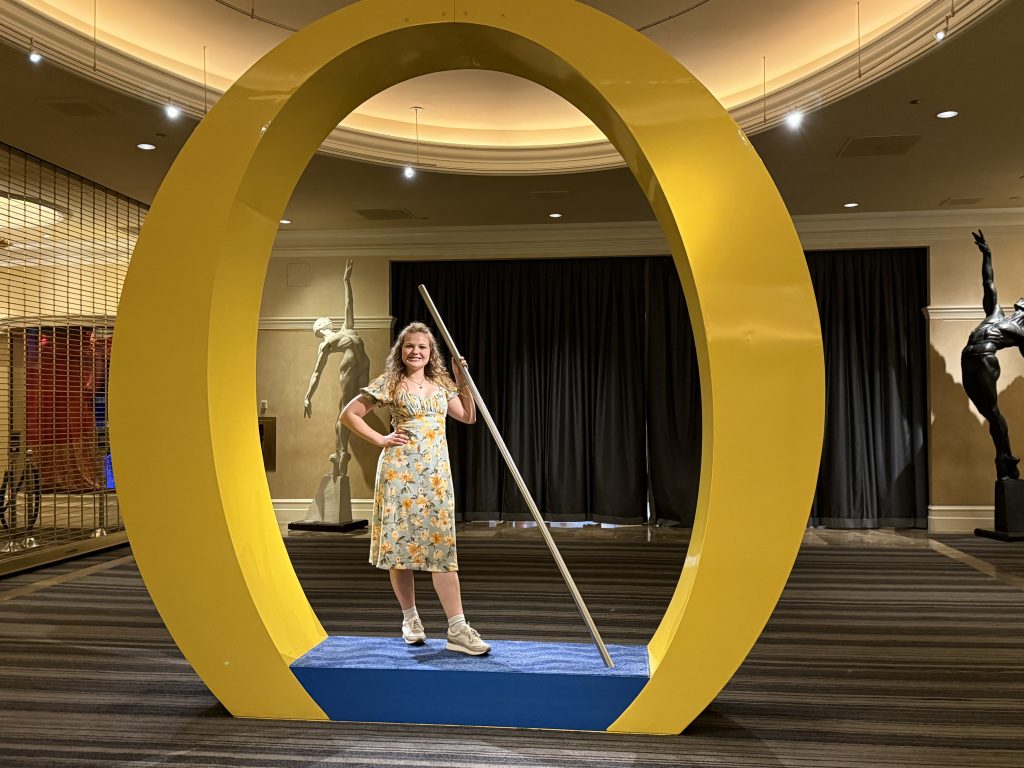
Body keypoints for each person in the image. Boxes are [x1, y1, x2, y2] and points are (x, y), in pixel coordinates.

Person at [340, 322, 490, 655]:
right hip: (399, 473)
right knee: (401, 548)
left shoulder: (441, 384)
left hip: (435, 476)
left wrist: (461, 379)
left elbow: (467, 416)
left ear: (430, 352)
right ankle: (410, 619)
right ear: (401, 350)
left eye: (422, 347)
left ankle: (458, 628)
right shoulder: (390, 383)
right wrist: (381, 438)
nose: (416, 352)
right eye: (409, 346)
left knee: (442, 550)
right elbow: (349, 414)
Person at [961, 229, 1024, 480]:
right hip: (967, 357)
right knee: (989, 413)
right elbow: (988, 283)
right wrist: (987, 256)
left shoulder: (1020, 331)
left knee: (993, 412)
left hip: (985, 359)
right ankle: (1005, 455)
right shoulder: (995, 313)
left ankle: (1004, 455)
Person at [302, 259, 370, 479]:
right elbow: (316, 373)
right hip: (350, 367)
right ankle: (341, 451)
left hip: (362, 366)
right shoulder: (326, 345)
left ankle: (341, 450)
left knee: (356, 409)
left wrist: (346, 281)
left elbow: (349, 304)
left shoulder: (346, 328)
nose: (329, 320)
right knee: (345, 411)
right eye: (325, 321)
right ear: (321, 328)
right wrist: (307, 396)